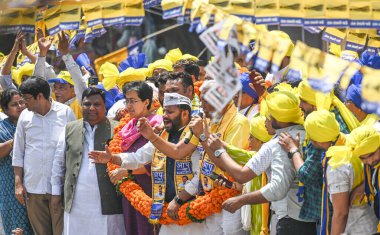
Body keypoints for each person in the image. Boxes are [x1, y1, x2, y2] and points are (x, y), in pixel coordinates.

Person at [89, 93, 205, 235]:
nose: (165, 116)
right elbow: (138, 157)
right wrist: (112, 158)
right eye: (164, 111)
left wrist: (179, 199)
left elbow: (199, 175)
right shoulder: (163, 135)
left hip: (192, 212)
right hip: (168, 212)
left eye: (170, 112)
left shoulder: (195, 135)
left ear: (185, 113)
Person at [205, 91, 316, 235]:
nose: (265, 121)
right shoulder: (307, 134)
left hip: (291, 219)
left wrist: (220, 151)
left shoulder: (278, 143)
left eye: (268, 116)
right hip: (312, 218)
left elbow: (244, 176)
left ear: (279, 119)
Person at [51, 87, 125, 234]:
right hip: (76, 202)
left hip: (108, 201)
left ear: (105, 106)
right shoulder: (70, 129)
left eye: (97, 104)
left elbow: (128, 160)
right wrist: (55, 194)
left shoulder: (118, 129)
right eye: (86, 104)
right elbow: (58, 164)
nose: (91, 108)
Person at [12, 77, 76, 235]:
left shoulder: (65, 113)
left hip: (60, 189)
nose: (24, 104)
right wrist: (18, 183)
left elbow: (74, 148)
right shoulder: (24, 117)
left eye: (26, 99)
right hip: (33, 188)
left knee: (62, 232)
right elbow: (18, 151)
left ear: (39, 96)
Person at [190, 79, 250, 235]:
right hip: (210, 195)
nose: (202, 106)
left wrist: (202, 137)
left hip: (231, 196)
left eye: (205, 101)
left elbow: (227, 164)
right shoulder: (209, 120)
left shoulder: (239, 122)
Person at [278, 110, 347, 234]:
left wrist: (293, 150)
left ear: (316, 141)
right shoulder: (343, 139)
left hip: (334, 223)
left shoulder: (333, 161)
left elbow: (305, 175)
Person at [109, 81, 162, 235]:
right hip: (130, 190)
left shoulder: (157, 125)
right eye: (127, 100)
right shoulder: (128, 126)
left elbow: (158, 161)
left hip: (149, 191)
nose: (128, 106)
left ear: (147, 102)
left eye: (133, 101)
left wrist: (128, 172)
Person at [325, 126, 378, 235]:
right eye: (363, 159)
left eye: (371, 155)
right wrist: (365, 185)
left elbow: (341, 214)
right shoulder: (373, 166)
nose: (368, 161)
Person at [0, 89, 33, 235]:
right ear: (6, 109)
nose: (20, 106)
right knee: (17, 225)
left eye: (22, 102)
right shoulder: (2, 127)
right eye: (14, 104)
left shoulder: (33, 121)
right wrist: (16, 140)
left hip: (34, 181)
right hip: (10, 183)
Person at [34, 31, 87, 120]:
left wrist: (66, 54)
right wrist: (42, 53)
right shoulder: (51, 106)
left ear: (74, 90)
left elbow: (79, 81)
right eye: (55, 87)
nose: (57, 92)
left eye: (62, 87)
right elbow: (37, 84)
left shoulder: (82, 103)